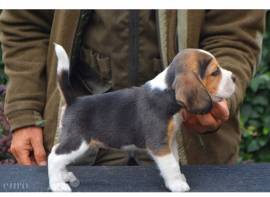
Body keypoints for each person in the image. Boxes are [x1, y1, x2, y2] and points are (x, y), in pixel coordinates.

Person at [0, 10, 265, 166]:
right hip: (83, 136)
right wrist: (25, 111)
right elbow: (26, 23)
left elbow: (233, 35)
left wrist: (214, 98)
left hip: (190, 146)